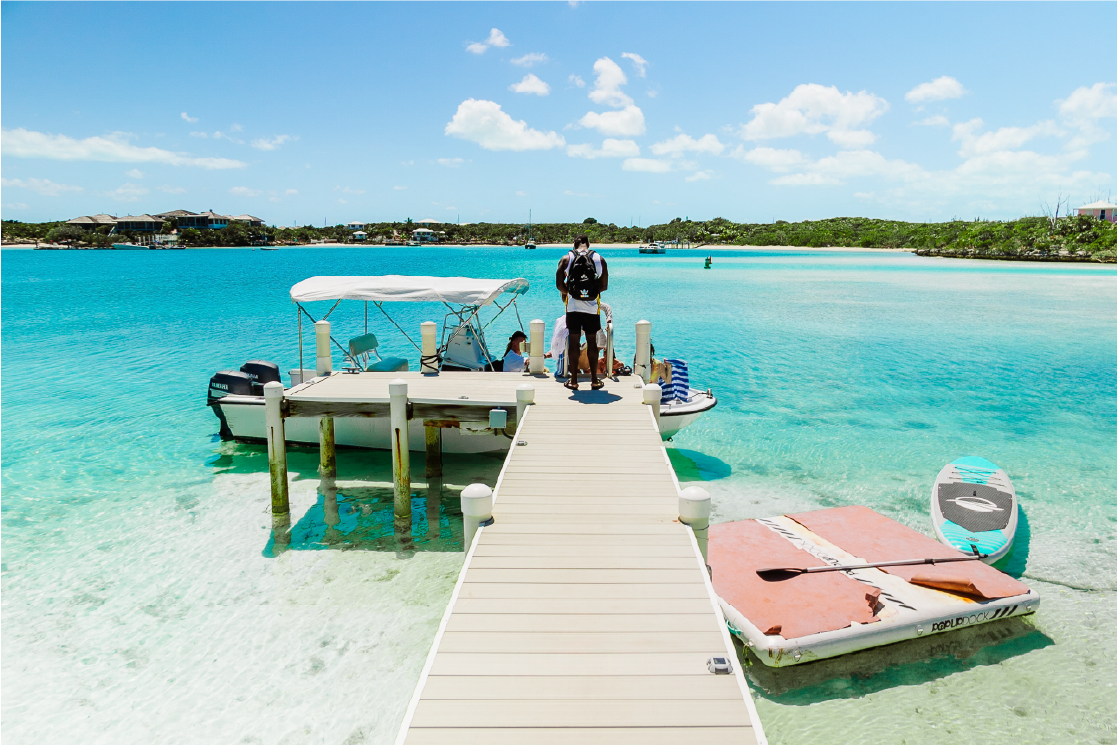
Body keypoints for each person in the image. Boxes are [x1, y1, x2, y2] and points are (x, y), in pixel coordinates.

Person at [556, 234, 608, 390]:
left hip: (573, 307)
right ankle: (594, 380)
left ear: (574, 245)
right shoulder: (599, 259)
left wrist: (572, 293)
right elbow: (604, 286)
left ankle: (573, 381)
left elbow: (559, 285)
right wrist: (589, 295)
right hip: (592, 307)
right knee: (592, 341)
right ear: (588, 245)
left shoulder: (566, 259)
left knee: (574, 342)